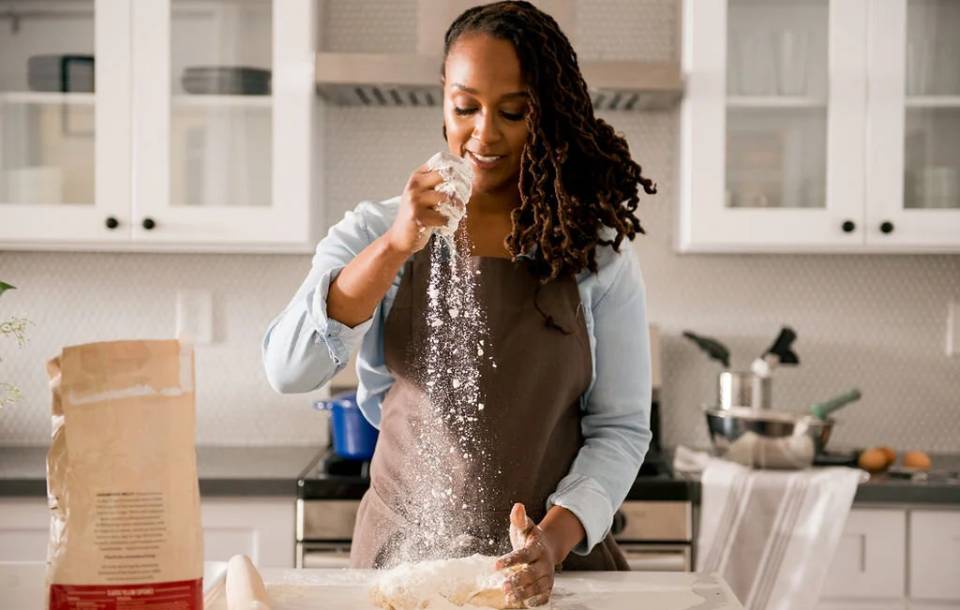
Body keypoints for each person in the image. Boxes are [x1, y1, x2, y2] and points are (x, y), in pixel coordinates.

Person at [262, 1, 656, 606]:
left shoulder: (594, 252)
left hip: (546, 577)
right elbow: (289, 369)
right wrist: (395, 246)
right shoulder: (376, 230)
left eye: (514, 111)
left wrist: (549, 544)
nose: (485, 134)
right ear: (443, 100)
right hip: (404, 561)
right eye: (465, 107)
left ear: (545, 114)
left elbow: (622, 431)